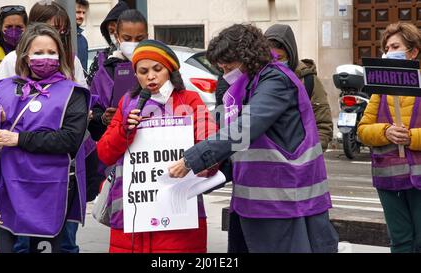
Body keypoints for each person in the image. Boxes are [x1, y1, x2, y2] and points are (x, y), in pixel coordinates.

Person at [168, 24, 339, 253]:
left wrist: (192, 159)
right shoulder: (244, 85)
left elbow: (245, 127)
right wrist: (210, 167)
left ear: (247, 58)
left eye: (229, 65)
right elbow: (231, 135)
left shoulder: (275, 80)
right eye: (221, 66)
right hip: (256, 201)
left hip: (283, 201)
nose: (225, 71)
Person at [96, 40, 216, 253]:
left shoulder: (190, 100)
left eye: (157, 69)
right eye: (143, 71)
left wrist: (190, 162)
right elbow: (105, 153)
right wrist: (124, 130)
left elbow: (211, 148)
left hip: (178, 216)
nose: (150, 76)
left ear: (169, 70)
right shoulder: (127, 103)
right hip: (131, 219)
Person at [0, 23, 89, 253]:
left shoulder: (74, 93)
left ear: (61, 55)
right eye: (39, 52)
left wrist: (18, 139)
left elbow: (70, 140)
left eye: (52, 52)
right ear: (25, 55)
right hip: (6, 190)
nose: (46, 58)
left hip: (48, 191)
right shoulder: (2, 88)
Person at [357, 22, 421, 253]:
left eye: (395, 46)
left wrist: (410, 137)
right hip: (389, 181)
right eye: (386, 47)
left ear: (412, 52)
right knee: (401, 242)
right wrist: (386, 132)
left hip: (418, 180)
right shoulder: (379, 89)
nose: (388, 52)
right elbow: (363, 130)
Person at [264, 24, 333, 152]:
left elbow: (323, 124)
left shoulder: (308, 80)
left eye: (279, 58)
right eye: (270, 59)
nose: (274, 63)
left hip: (300, 160)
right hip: (267, 160)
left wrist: (312, 153)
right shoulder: (256, 80)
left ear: (290, 55)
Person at [0, 1, 87, 88]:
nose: (59, 35)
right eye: (54, 28)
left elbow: (82, 96)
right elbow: (1, 96)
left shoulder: (72, 60)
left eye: (63, 30)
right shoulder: (11, 60)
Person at [89, 9, 148, 141]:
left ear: (147, 37)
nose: (133, 43)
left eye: (139, 39)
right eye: (127, 39)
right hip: (116, 144)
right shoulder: (105, 71)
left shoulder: (158, 68)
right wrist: (104, 118)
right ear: (117, 37)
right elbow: (94, 110)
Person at [86, 0, 129, 86]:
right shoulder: (101, 58)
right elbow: (92, 87)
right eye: (111, 31)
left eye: (119, 29)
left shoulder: (140, 56)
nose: (116, 35)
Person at [76, 0, 90, 71]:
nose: (81, 16)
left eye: (83, 13)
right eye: (78, 12)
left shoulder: (83, 40)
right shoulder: (62, 38)